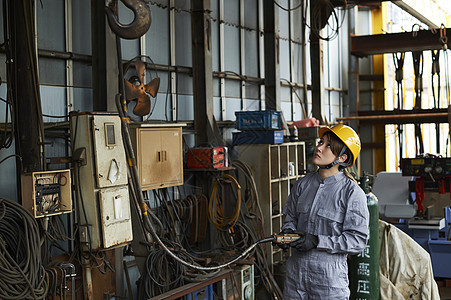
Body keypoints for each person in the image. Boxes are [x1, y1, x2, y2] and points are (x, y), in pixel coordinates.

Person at [279, 124, 369, 299]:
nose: (319, 147)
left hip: (328, 280)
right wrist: (289, 232)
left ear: (342, 157)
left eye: (328, 145)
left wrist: (317, 241)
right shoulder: (302, 185)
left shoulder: (351, 193)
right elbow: (290, 216)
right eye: (321, 142)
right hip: (295, 277)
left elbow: (357, 240)